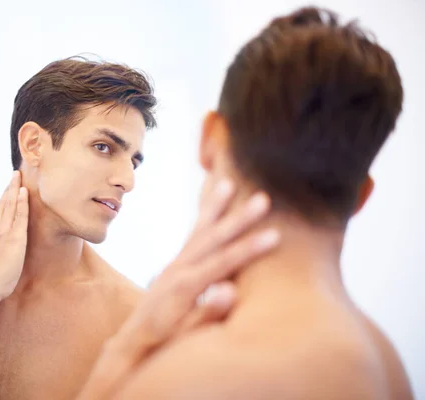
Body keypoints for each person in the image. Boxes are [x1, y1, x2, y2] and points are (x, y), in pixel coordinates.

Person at [0, 58, 276, 400]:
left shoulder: (129, 317)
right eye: (104, 148)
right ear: (33, 145)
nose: (128, 179)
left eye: (135, 160)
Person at [78, 7, 415, 400]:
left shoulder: (191, 377)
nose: (126, 179)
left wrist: (123, 354)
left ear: (211, 140)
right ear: (361, 196)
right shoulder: (389, 366)